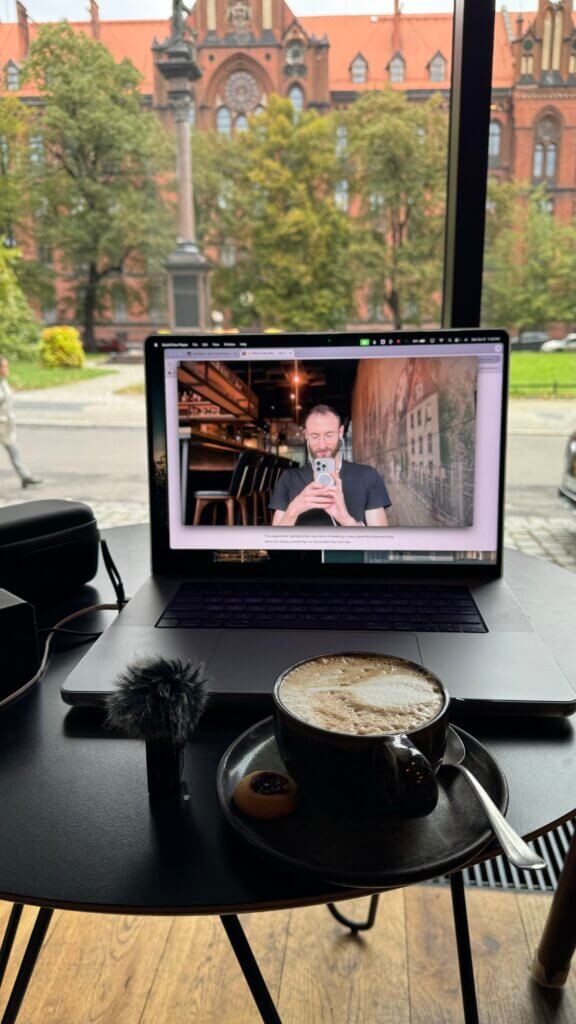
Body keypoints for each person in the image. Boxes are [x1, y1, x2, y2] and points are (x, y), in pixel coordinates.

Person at [270, 404, 390, 527]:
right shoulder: (289, 478)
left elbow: (381, 543)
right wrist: (293, 510)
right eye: (315, 436)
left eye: (329, 435)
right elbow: (275, 543)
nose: (322, 445)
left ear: (340, 432)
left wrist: (346, 519)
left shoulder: (368, 476)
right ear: (306, 435)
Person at [0, 354, 42, 488]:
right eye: (4, 367)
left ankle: (25, 477)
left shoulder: (3, 382)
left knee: (14, 449)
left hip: (5, 425)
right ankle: (25, 476)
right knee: (13, 449)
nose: (7, 369)